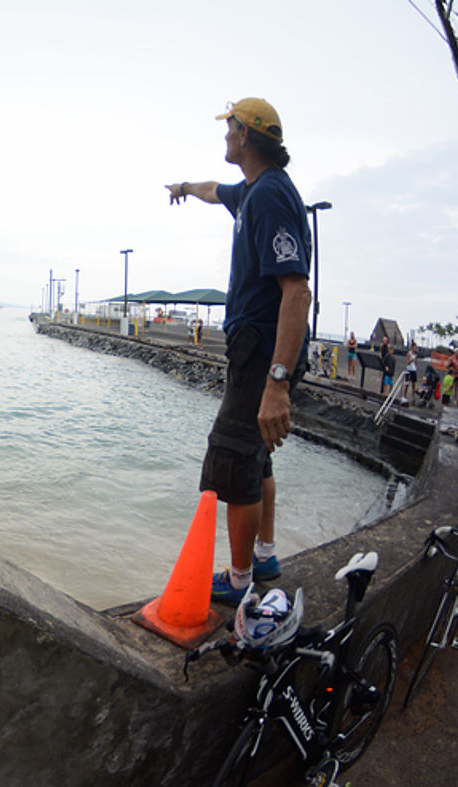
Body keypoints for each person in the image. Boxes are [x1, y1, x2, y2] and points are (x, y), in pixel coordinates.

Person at [166, 97, 311, 604]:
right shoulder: (250, 191)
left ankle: (241, 578)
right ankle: (266, 553)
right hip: (254, 349)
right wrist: (183, 188)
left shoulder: (270, 197)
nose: (224, 136)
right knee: (258, 457)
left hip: (261, 353)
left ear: (245, 135)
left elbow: (297, 291)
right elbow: (213, 189)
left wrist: (277, 381)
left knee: (232, 458)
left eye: (229, 128)